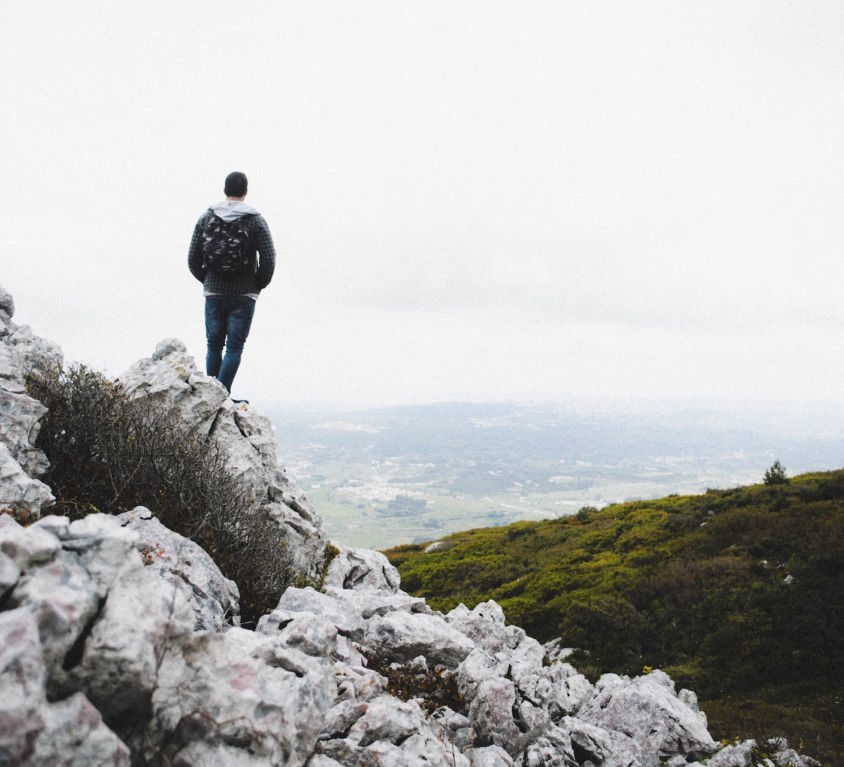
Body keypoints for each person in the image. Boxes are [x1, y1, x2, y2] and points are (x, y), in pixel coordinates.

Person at [188, 171, 275, 398]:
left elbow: (192, 258)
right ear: (245, 192)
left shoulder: (206, 218)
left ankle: (211, 396)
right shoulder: (256, 221)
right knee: (234, 347)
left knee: (213, 344)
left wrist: (207, 279)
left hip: (213, 292)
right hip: (244, 293)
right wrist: (257, 284)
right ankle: (221, 397)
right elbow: (269, 257)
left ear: (225, 190)